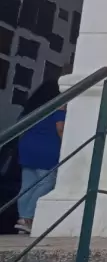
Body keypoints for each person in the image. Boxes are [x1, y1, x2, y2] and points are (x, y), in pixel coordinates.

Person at [16, 80, 65, 235]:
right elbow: (61, 129)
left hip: (27, 148)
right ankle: (29, 218)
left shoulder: (32, 108)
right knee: (47, 182)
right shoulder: (58, 106)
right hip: (47, 148)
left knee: (27, 185)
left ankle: (23, 218)